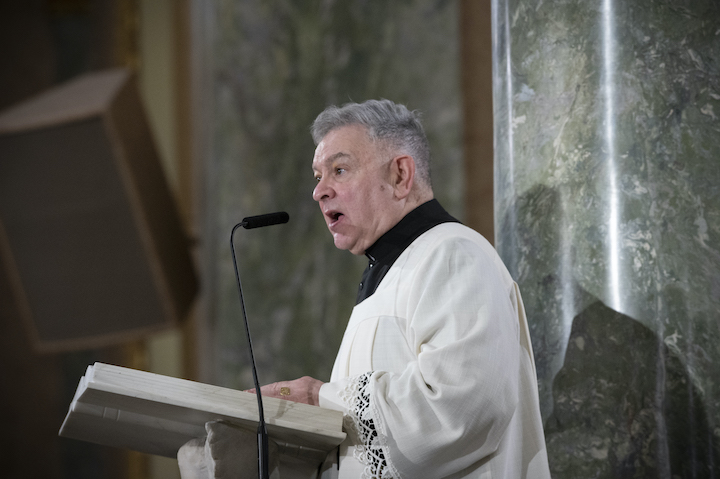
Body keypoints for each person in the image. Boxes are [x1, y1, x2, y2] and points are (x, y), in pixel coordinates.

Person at [179, 99, 550, 478]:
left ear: (401, 175)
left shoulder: (453, 253)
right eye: (317, 176)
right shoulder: (390, 272)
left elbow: (465, 405)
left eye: (339, 170)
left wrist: (318, 398)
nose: (319, 192)